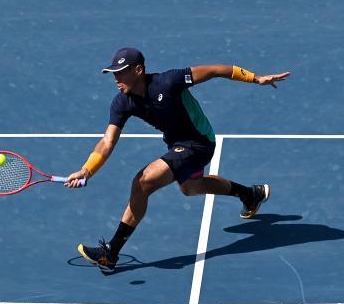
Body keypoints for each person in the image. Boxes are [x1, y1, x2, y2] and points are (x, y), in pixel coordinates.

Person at [67, 47, 291, 274]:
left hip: (200, 142)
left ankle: (111, 253)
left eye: (120, 72)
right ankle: (250, 194)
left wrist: (256, 78)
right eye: (114, 73)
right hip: (177, 145)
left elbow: (215, 70)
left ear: (138, 70)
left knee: (142, 182)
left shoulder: (168, 82)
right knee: (191, 188)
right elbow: (107, 141)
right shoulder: (122, 103)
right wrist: (86, 170)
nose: (116, 78)